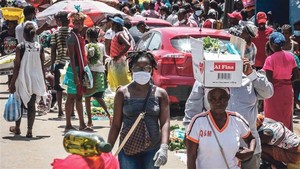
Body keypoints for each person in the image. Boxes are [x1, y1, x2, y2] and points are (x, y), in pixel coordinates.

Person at [184, 57, 274, 169]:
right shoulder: (206, 78)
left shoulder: (249, 78)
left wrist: (252, 74)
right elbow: (192, 109)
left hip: (248, 148)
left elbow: (268, 93)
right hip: (215, 150)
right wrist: (190, 137)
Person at [107, 51, 170, 169]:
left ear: (151, 70)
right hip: (128, 148)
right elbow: (116, 125)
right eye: (137, 68)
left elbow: (165, 122)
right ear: (131, 70)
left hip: (152, 149)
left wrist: (164, 147)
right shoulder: (122, 93)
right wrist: (107, 150)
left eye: (146, 68)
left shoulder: (160, 94)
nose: (142, 71)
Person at [186, 88, 256, 169]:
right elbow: (191, 156)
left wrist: (251, 150)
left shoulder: (237, 119)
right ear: (208, 99)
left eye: (222, 98)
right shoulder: (198, 121)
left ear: (228, 98)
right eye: (213, 98)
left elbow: (251, 139)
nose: (218, 102)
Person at [8, 22, 47, 138]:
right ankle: (29, 130)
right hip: (36, 78)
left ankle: (18, 128)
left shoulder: (20, 47)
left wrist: (12, 82)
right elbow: (42, 65)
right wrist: (43, 81)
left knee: (19, 103)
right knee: (31, 106)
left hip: (23, 78)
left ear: (24, 34)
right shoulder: (40, 47)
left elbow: (17, 66)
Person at [263, 32, 300, 130]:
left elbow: (269, 79)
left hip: (273, 92)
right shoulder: (291, 57)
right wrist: (286, 81)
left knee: (272, 119)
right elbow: (297, 76)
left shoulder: (270, 59)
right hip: (287, 91)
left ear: (271, 43)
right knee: (286, 117)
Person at [64, 11, 89, 131]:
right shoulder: (71, 37)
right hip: (74, 70)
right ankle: (68, 124)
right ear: (73, 23)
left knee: (79, 97)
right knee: (71, 97)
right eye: (77, 23)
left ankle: (82, 123)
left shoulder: (78, 35)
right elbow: (71, 58)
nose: (79, 25)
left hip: (81, 69)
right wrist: (75, 75)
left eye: (81, 23)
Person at [84, 27, 111, 129]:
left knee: (87, 97)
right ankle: (109, 115)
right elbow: (104, 58)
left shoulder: (87, 46)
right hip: (100, 73)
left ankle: (90, 122)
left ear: (88, 36)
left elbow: (86, 59)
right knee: (98, 97)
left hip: (90, 74)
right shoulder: (101, 46)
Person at [50, 11, 70, 118]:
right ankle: (71, 111)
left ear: (59, 21)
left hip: (59, 62)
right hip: (71, 63)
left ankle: (60, 110)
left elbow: (53, 50)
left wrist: (52, 64)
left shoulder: (55, 33)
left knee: (59, 88)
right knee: (71, 87)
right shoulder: (72, 32)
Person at [107, 16, 131, 91]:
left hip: (119, 62)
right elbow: (129, 39)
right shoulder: (120, 34)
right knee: (119, 81)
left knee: (120, 82)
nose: (111, 25)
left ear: (117, 25)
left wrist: (118, 56)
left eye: (113, 24)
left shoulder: (120, 35)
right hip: (118, 61)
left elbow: (128, 45)